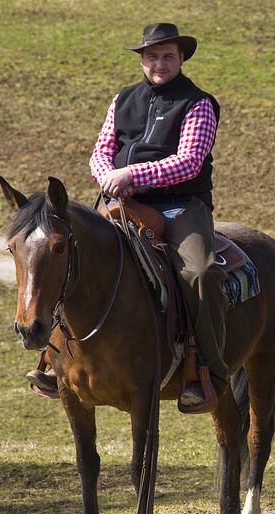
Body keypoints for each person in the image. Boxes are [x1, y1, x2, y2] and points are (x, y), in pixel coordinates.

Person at [28, 22, 227, 407]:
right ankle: (55, 358)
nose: (159, 63)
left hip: (179, 207)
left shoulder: (199, 103)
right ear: (142, 60)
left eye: (168, 56)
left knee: (199, 272)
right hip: (119, 204)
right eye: (152, 56)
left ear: (181, 58)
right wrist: (108, 176)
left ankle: (207, 370)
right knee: (68, 258)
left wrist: (131, 174)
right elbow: (101, 150)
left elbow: (188, 162)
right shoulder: (122, 100)